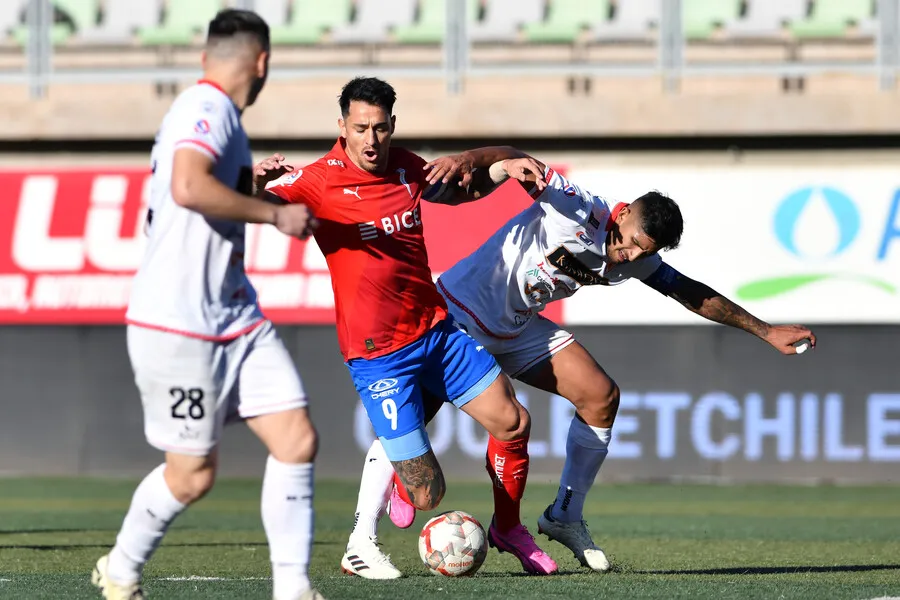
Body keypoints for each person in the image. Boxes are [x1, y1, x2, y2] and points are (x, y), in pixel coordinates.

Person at [348, 154, 818, 575]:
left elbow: (690, 292)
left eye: (645, 252)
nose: (631, 256)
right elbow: (516, 158)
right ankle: (362, 538)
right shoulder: (575, 206)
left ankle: (562, 517)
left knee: (601, 397)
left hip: (517, 325)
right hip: (459, 314)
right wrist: (480, 159)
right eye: (632, 242)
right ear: (624, 212)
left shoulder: (636, 255)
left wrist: (765, 330)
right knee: (411, 422)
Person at [260, 77, 559, 578]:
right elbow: (256, 204)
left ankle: (506, 527)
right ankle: (368, 530)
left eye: (380, 128)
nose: (371, 139)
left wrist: (503, 169)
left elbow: (462, 191)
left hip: (436, 333)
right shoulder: (317, 180)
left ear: (393, 126)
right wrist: (254, 181)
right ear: (342, 127)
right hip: (379, 356)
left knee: (513, 422)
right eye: (361, 128)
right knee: (427, 494)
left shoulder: (405, 166)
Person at [91, 10, 325, 600]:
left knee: (296, 440)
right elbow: (189, 187)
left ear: (206, 56)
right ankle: (120, 569)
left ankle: (293, 589)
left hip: (234, 316)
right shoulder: (207, 106)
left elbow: (200, 191)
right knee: (192, 476)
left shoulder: (218, 116)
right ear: (262, 62)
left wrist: (251, 187)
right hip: (179, 323)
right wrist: (273, 215)